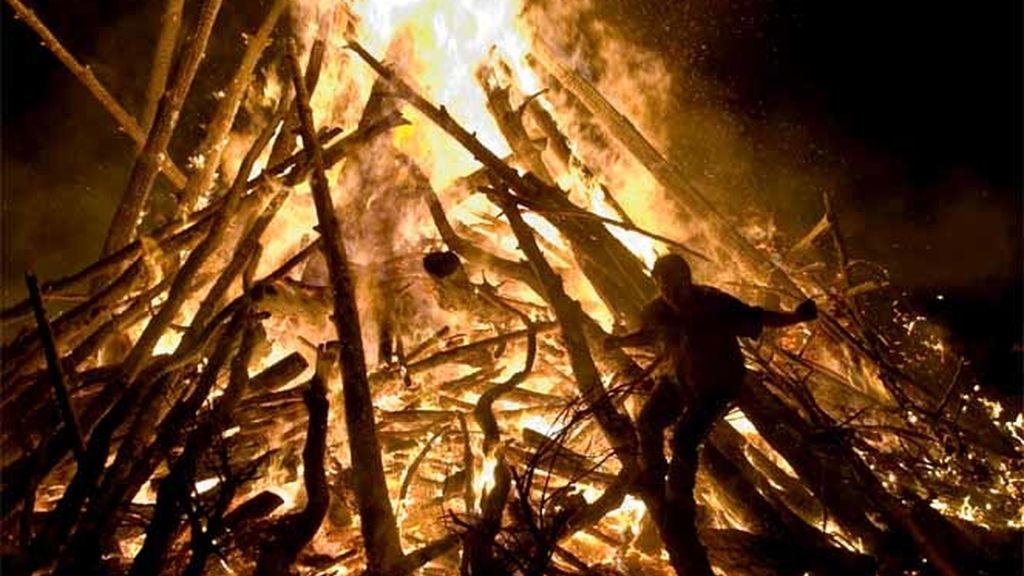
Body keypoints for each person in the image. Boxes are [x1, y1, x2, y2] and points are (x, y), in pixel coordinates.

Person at [606, 253, 817, 575]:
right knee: (648, 420)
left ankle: (679, 500)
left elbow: (756, 317)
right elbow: (649, 335)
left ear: (686, 279)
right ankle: (653, 472)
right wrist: (619, 341)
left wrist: (796, 317)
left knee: (684, 439)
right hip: (678, 380)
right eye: (661, 283)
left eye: (673, 282)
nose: (667, 290)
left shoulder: (712, 302)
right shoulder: (657, 310)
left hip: (716, 383)